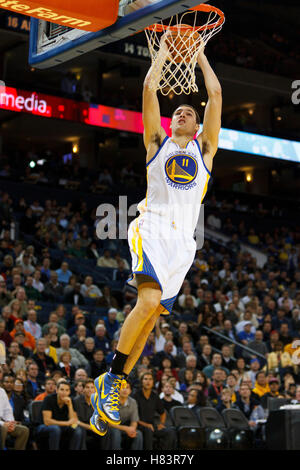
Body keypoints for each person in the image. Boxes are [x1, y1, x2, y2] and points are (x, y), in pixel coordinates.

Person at [91, 31, 222, 431]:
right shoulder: (156, 144)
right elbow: (150, 85)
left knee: (150, 320)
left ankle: (112, 387)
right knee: (146, 304)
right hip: (151, 226)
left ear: (197, 124)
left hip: (184, 244)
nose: (181, 114)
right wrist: (165, 52)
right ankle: (111, 378)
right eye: (176, 112)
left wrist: (199, 56)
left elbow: (214, 95)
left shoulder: (206, 150)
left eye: (188, 112)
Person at [133, 372, 177, 450]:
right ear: (142, 381)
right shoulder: (136, 395)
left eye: (150, 379)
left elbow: (162, 412)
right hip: (139, 425)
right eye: (145, 379)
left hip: (152, 426)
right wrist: (146, 425)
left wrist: (161, 424)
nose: (148, 381)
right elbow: (133, 417)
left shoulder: (155, 396)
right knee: (148, 430)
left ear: (153, 382)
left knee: (171, 431)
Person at [36, 380, 84, 450]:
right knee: (55, 428)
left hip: (62, 426)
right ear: (56, 390)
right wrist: (67, 423)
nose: (64, 393)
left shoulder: (71, 401)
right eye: (62, 389)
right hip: (44, 426)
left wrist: (70, 405)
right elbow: (47, 421)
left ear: (69, 392)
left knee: (78, 430)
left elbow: (73, 421)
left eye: (67, 390)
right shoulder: (49, 399)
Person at [107, 381, 143, 450]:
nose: (125, 390)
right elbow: (110, 423)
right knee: (116, 433)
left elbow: (134, 421)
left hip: (124, 427)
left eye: (127, 388)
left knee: (138, 434)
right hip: (111, 428)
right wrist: (127, 429)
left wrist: (132, 429)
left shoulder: (133, 402)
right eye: (122, 387)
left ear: (130, 391)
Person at [0, 381, 29, 450]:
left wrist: (11, 423)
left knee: (24, 430)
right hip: (1, 424)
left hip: (3, 423)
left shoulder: (1, 391)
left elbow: (7, 410)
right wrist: (3, 423)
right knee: (3, 429)